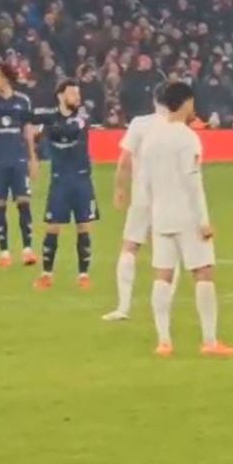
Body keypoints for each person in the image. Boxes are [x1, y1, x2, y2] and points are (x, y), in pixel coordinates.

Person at [141, 82, 233, 358]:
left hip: (161, 215)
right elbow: (192, 180)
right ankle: (209, 341)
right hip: (187, 216)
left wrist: (149, 219)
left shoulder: (151, 137)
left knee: (163, 275)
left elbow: (145, 182)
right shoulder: (187, 137)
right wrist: (203, 220)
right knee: (203, 272)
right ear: (184, 103)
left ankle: (164, 341)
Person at [103, 84, 169, 322]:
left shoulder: (140, 124)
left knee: (130, 246)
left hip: (142, 195)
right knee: (167, 249)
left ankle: (123, 307)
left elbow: (124, 161)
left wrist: (120, 189)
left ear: (154, 100)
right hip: (170, 197)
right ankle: (165, 305)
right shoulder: (178, 127)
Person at [34, 80, 99, 291]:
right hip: (60, 179)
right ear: (61, 96)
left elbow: (67, 130)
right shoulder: (51, 120)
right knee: (53, 227)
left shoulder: (82, 118)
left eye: (78, 94)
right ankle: (46, 275)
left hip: (81, 179)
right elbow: (47, 138)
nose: (77, 98)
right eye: (72, 93)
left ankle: (83, 275)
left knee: (84, 226)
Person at [0, 63, 38, 268]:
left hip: (18, 159)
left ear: (6, 78)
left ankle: (28, 249)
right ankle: (4, 252)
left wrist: (33, 158)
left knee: (23, 201)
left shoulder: (23, 101)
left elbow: (28, 131)